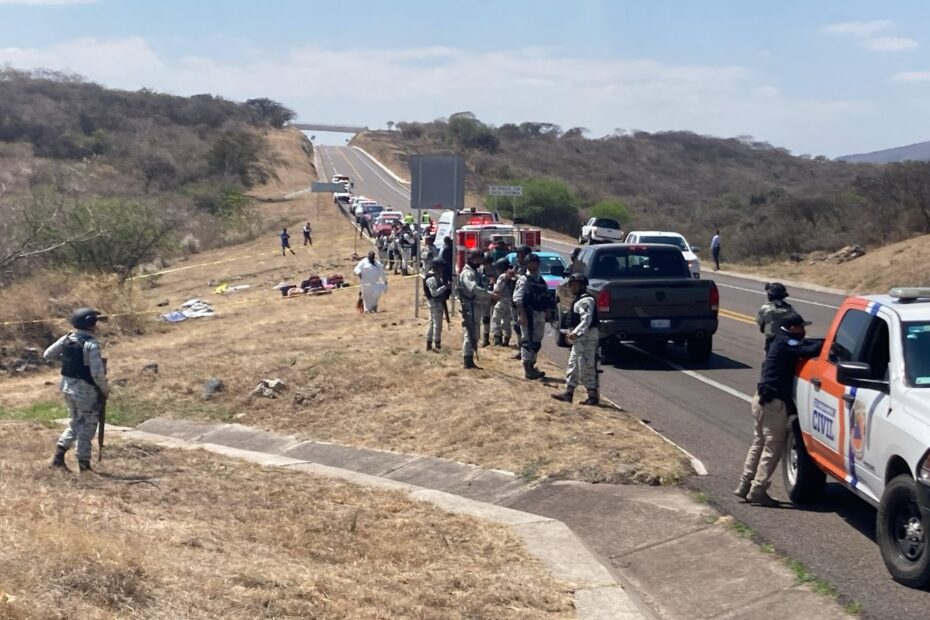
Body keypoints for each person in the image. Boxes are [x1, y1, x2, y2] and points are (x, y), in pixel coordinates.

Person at [735, 313, 823, 506]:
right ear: (792, 328)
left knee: (758, 443)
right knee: (772, 448)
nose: (804, 331)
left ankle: (744, 485)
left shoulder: (779, 341)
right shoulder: (786, 343)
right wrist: (830, 345)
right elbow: (809, 349)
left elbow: (805, 344)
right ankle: (758, 490)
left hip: (761, 399)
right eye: (801, 327)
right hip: (773, 403)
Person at [45, 308, 110, 472]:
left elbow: (48, 355)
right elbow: (97, 373)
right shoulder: (91, 344)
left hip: (67, 387)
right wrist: (105, 389)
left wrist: (70, 359)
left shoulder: (66, 339)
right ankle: (84, 465)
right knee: (87, 427)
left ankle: (58, 457)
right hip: (86, 391)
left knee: (75, 423)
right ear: (90, 323)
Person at [552, 273, 600, 405]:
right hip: (580, 338)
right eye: (571, 285)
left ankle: (592, 395)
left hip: (587, 337)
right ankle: (568, 393)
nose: (572, 287)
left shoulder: (586, 300)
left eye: (574, 285)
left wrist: (575, 333)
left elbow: (586, 320)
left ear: (582, 285)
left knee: (585, 366)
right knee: (573, 365)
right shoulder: (578, 300)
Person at [457, 249, 498, 369]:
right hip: (470, 306)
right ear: (471, 258)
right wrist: (490, 294)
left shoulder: (475, 272)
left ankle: (469, 359)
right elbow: (473, 288)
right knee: (471, 333)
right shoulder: (467, 273)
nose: (480, 261)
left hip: (477, 306)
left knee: (475, 334)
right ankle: (467, 360)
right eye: (478, 258)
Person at [514, 253, 551, 380]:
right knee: (527, 341)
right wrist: (522, 315)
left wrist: (547, 311)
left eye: (536, 262)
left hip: (539, 314)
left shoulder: (540, 280)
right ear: (527, 264)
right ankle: (527, 369)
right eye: (531, 262)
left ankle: (532, 365)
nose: (534, 265)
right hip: (528, 313)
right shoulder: (524, 279)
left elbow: (545, 297)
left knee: (536, 341)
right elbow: (518, 299)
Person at [756, 282, 795, 352]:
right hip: (787, 339)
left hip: (772, 340)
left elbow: (759, 321)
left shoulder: (766, 308)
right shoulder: (789, 308)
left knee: (770, 358)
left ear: (770, 295)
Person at [424, 258, 449, 352]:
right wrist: (445, 287)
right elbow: (434, 293)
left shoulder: (436, 276)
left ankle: (429, 344)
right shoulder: (431, 278)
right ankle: (437, 345)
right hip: (435, 303)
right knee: (437, 325)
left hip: (436, 303)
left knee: (432, 323)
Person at [491, 258, 516, 346]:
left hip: (501, 300)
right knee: (506, 321)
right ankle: (507, 338)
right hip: (509, 301)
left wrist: (492, 294)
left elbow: (498, 289)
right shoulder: (512, 276)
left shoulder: (503, 276)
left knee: (496, 319)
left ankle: (498, 339)